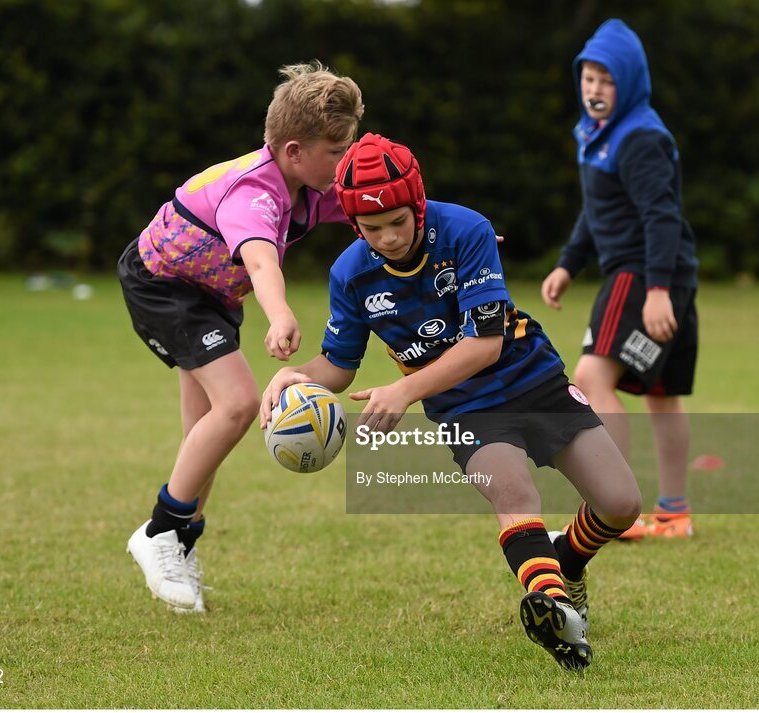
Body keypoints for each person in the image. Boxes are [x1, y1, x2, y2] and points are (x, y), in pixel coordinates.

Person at [261, 134, 641, 670]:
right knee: (512, 493)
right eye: (372, 229)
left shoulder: (466, 230)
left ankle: (567, 563)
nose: (388, 238)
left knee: (621, 504)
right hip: (465, 408)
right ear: (353, 225)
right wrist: (296, 376)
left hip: (532, 378)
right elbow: (339, 367)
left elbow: (485, 345)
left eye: (398, 221)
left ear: (417, 204)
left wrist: (405, 390)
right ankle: (556, 612)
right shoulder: (349, 274)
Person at [117, 61, 364, 612]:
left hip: (210, 297)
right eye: (334, 150)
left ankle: (180, 543)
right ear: (294, 150)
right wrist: (279, 315)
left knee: (203, 435)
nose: (342, 162)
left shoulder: (308, 183)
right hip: (164, 286)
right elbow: (260, 264)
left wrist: (444, 226)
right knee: (238, 405)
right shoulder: (253, 192)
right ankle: (158, 532)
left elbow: (370, 202)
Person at [540, 19, 700, 540]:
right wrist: (568, 263)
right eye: (587, 78)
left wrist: (656, 290)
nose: (594, 89)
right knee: (662, 394)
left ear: (628, 83)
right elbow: (598, 209)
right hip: (662, 275)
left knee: (590, 380)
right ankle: (673, 514)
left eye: (606, 80)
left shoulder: (639, 138)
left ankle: (614, 510)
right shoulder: (598, 135)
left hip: (642, 275)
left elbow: (661, 216)